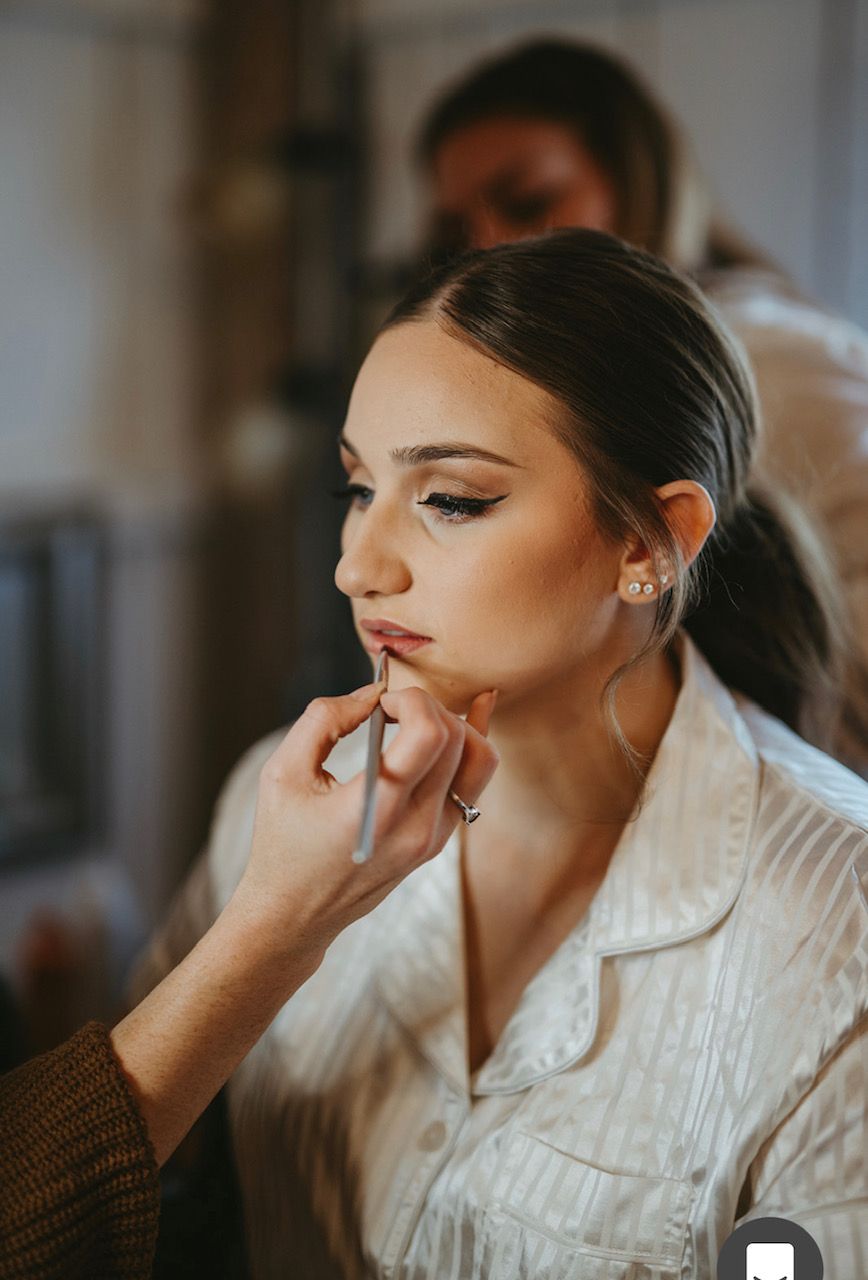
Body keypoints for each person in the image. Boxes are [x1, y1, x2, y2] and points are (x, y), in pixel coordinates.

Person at [133, 230, 868, 1279]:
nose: (357, 565)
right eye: (355, 487)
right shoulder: (279, 797)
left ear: (648, 542)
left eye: (450, 499)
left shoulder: (841, 924)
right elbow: (133, 1180)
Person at [417, 37, 868, 771]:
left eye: (530, 202)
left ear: (639, 180)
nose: (490, 246)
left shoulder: (771, 366)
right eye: (455, 229)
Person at [0, 678, 497, 1280]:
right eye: (344, 568)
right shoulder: (273, 794)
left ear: (638, 576)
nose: (352, 576)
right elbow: (174, 1153)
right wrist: (281, 919)